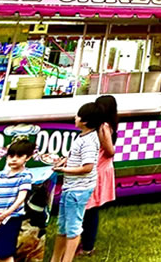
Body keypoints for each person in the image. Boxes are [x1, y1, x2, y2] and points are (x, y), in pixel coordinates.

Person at [50, 103, 101, 262]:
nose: (75, 118)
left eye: (78, 116)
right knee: (62, 226)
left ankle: (67, 259)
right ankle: (55, 258)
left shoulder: (89, 142)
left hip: (78, 190)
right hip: (71, 187)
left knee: (73, 228)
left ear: (85, 121)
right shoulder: (83, 136)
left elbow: (87, 167)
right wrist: (65, 161)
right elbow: (76, 158)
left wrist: (64, 171)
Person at [79, 95, 118, 256]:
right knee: (89, 209)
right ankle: (84, 242)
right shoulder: (105, 125)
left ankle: (87, 245)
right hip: (99, 169)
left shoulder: (103, 127)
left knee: (90, 209)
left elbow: (110, 151)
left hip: (99, 170)